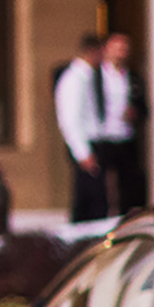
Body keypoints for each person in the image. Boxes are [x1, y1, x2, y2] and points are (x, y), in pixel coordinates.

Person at [54, 33, 109, 222]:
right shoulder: (74, 79)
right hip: (85, 145)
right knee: (90, 202)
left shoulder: (90, 77)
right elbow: (69, 118)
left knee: (95, 201)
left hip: (95, 142)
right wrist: (82, 152)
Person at [100, 31, 148, 212]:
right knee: (103, 187)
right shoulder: (97, 77)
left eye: (124, 48)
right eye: (117, 47)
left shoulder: (133, 78)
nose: (121, 52)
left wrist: (135, 112)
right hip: (104, 136)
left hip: (126, 136)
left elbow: (144, 108)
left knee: (129, 183)